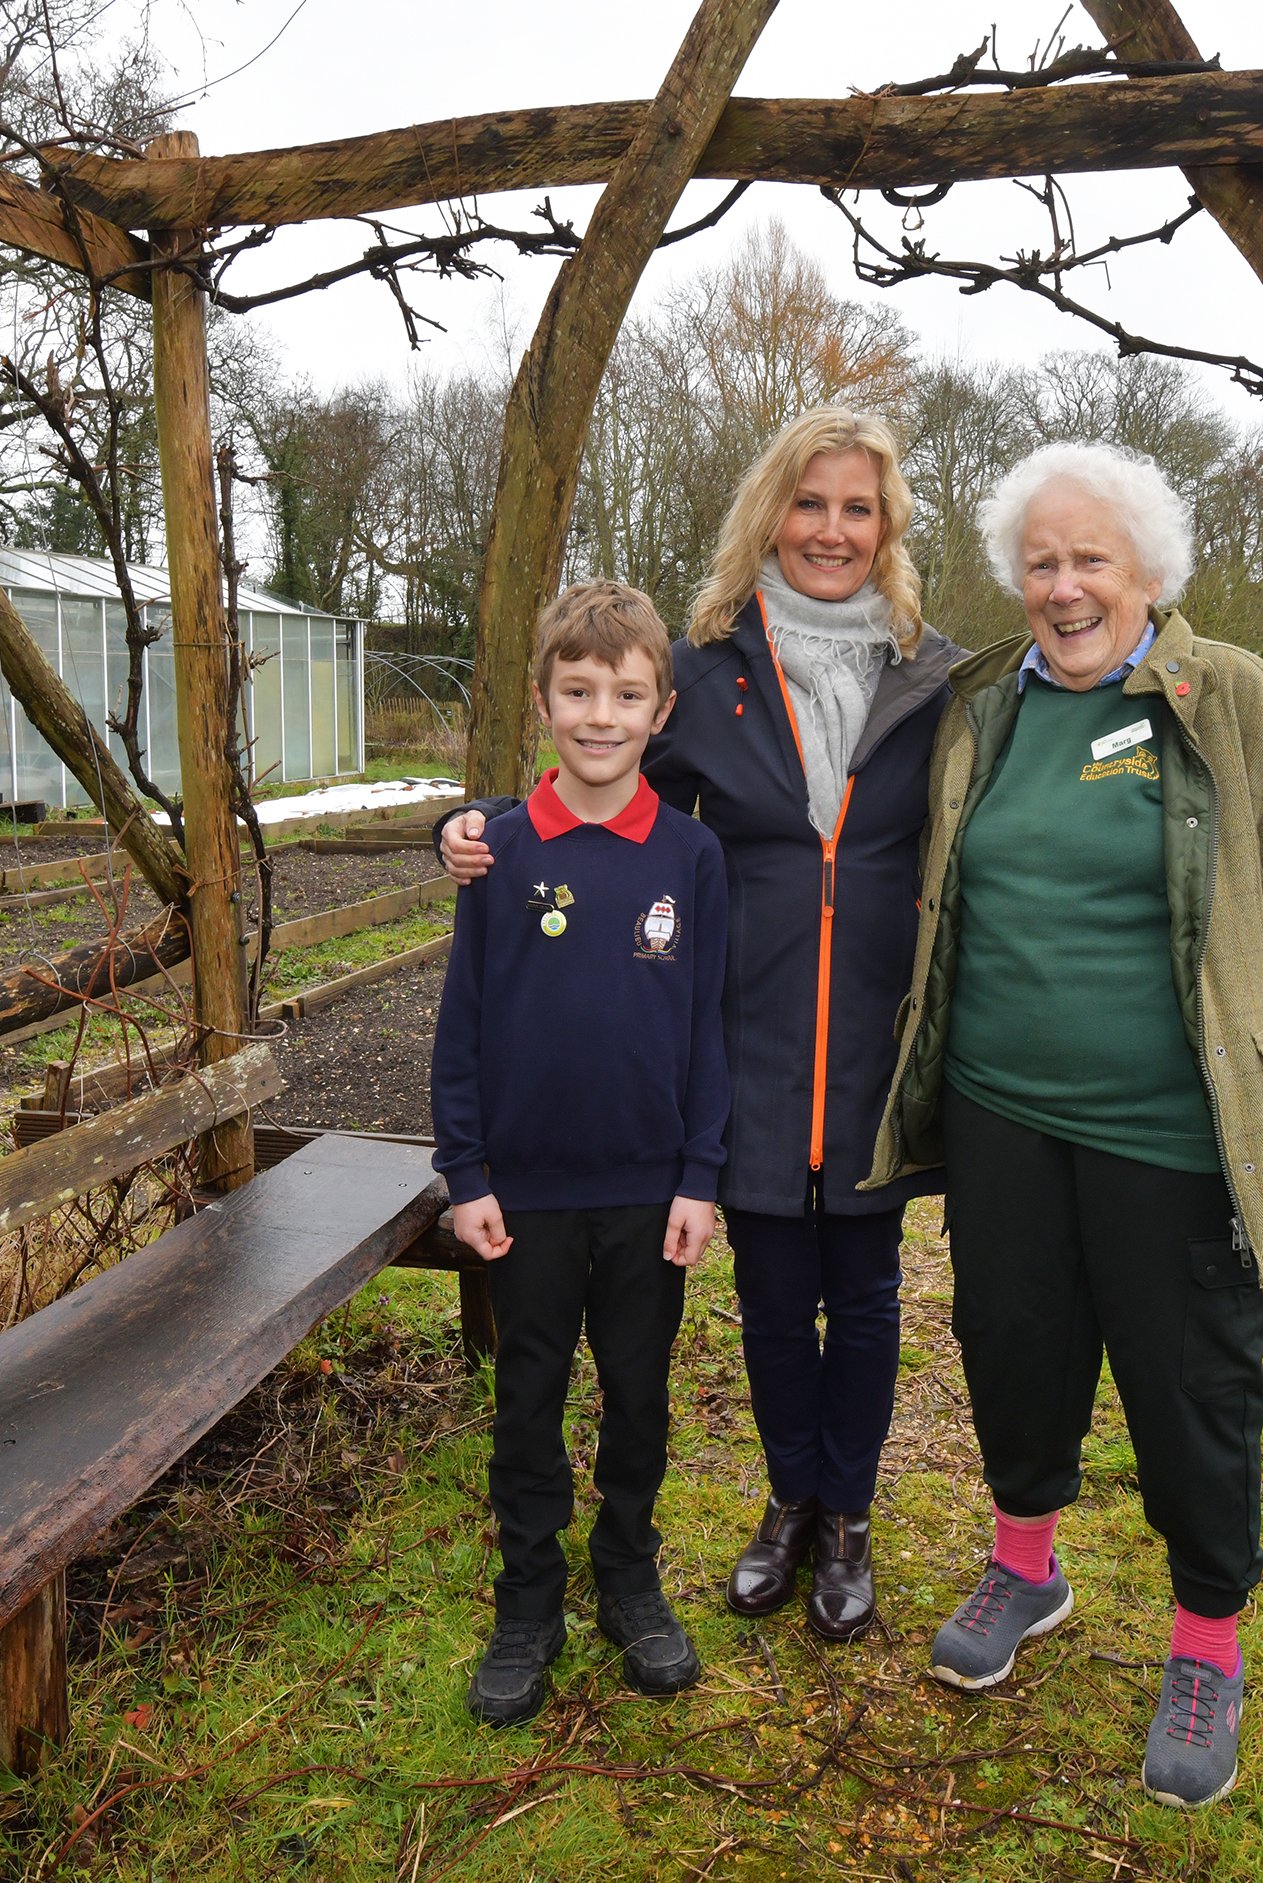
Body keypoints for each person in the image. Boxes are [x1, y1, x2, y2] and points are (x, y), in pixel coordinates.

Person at [863, 442, 1263, 1810]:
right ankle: (1025, 1565)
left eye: (1092, 557)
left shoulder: (1233, 704)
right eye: (1040, 560)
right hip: (1002, 1118)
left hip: (1179, 1131)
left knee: (1191, 1386)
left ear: (1152, 570)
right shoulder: (984, 706)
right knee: (1012, 1344)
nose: (1065, 584)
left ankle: (1206, 1645)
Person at [434, 408, 959, 1641]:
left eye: (857, 507)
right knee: (775, 1295)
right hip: (753, 1032)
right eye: (808, 502)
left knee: (867, 1294)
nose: (830, 529)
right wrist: (471, 824)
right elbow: (595, 781)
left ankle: (849, 1516)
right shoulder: (710, 670)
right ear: (768, 512)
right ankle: (788, 1497)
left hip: (876, 1037)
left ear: (886, 529)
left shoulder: (935, 674)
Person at [431, 581, 730, 1726]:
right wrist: (468, 1173)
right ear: (543, 700)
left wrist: (699, 1176)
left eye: (627, 693)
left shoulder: (690, 857)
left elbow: (706, 1029)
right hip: (528, 1197)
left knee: (640, 1396)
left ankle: (629, 1575)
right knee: (528, 1395)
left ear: (660, 710)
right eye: (577, 690)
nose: (600, 714)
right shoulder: (495, 852)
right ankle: (528, 1598)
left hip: (648, 1193)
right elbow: (462, 1025)